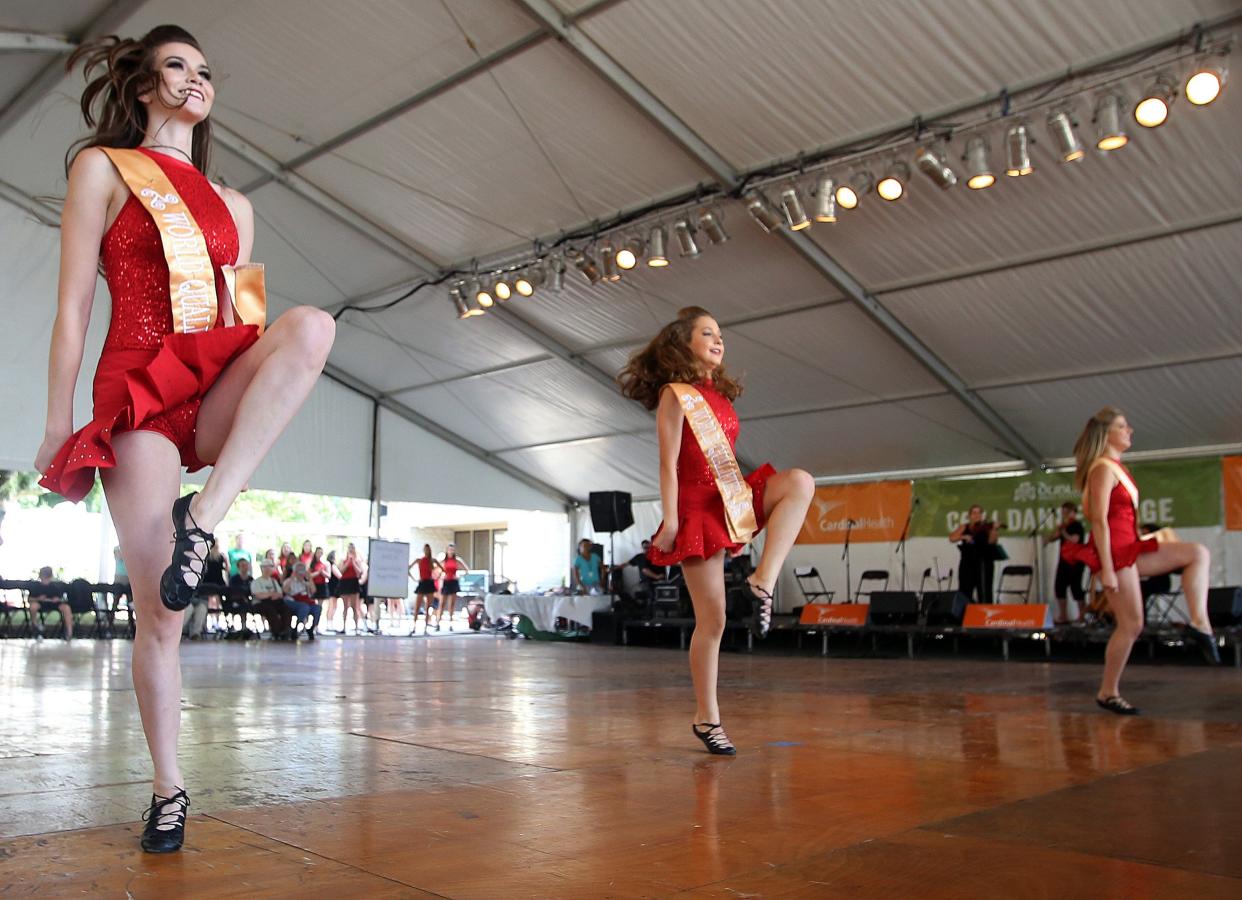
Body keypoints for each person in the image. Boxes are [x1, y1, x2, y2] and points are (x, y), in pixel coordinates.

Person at [32, 25, 334, 853]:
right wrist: (59, 423)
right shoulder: (101, 166)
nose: (195, 81)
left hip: (208, 379)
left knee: (310, 327)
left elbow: (245, 323)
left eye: (205, 71)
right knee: (160, 614)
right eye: (176, 67)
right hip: (134, 389)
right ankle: (169, 789)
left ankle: (208, 516)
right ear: (142, 86)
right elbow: (72, 309)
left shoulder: (237, 206)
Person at [618, 306, 813, 756]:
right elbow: (667, 464)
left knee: (799, 482)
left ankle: (762, 581)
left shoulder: (719, 397)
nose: (718, 340)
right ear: (683, 344)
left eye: (720, 334)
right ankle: (707, 718)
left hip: (728, 498)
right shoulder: (675, 395)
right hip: (696, 509)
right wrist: (669, 521)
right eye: (707, 333)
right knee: (715, 620)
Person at [1061, 407, 1219, 716]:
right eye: (1123, 426)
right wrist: (1106, 569)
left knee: (1198, 553)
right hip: (1117, 554)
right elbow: (1100, 523)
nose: (1129, 430)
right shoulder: (1102, 469)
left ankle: (1200, 623)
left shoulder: (1117, 468)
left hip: (1130, 548)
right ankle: (1108, 692)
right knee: (1132, 625)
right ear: (1107, 434)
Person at [1044, 502, 1087, 625]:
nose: (1065, 514)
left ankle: (1082, 615)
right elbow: (1055, 536)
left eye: (1067, 512)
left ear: (1073, 512)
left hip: (1076, 561)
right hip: (1063, 560)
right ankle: (1063, 615)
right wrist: (1049, 538)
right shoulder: (1064, 526)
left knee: (1076, 588)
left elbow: (1074, 539)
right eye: (1064, 512)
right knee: (1059, 587)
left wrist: (1063, 532)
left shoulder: (1077, 525)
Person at [949, 505, 1000, 602]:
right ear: (969, 515)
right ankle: (964, 614)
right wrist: (963, 537)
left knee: (985, 591)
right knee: (965, 591)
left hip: (984, 563)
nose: (976, 515)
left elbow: (992, 542)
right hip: (967, 564)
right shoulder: (964, 526)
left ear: (982, 515)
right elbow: (952, 538)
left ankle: (985, 614)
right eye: (974, 513)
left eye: (979, 513)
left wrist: (994, 529)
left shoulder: (987, 527)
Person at [250, 559, 292, 640]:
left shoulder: (273, 581)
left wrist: (273, 595)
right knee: (270, 610)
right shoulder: (256, 582)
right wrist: (270, 594)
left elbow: (280, 593)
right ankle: (277, 631)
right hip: (260, 603)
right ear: (261, 569)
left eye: (269, 567)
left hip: (274, 601)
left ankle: (286, 630)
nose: (267, 569)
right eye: (265, 567)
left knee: (286, 609)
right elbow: (258, 595)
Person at [27, 566, 72, 640]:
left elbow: (63, 598)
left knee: (66, 608)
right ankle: (35, 625)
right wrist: (38, 598)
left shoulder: (55, 586)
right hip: (40, 603)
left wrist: (58, 599)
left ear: (50, 577)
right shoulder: (35, 586)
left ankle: (69, 633)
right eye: (43, 578)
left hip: (54, 604)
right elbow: (30, 599)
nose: (45, 580)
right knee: (33, 606)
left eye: (47, 578)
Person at [407, 544, 442, 635]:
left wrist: (437, 577)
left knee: (428, 607)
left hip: (429, 583)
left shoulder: (432, 560)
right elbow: (408, 568)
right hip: (422, 583)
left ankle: (425, 628)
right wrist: (414, 578)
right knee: (417, 606)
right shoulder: (419, 560)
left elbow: (442, 569)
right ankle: (414, 626)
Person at [281, 561, 320, 639]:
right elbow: (284, 591)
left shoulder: (305, 582)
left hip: (305, 601)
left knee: (317, 608)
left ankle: (311, 628)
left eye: (302, 570)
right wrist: (292, 577)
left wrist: (309, 578)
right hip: (292, 602)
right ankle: (296, 628)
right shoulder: (289, 581)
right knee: (304, 607)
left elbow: (313, 590)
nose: (301, 573)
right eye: (299, 571)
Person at [435, 544, 468, 631]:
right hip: (446, 582)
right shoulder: (443, 560)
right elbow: (435, 569)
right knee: (442, 603)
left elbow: (466, 570)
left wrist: (458, 576)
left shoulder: (457, 560)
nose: (451, 551)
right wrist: (440, 576)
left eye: (452, 550)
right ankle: (438, 624)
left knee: (451, 604)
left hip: (453, 582)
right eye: (449, 550)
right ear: (447, 550)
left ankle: (451, 624)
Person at [337, 543, 367, 635]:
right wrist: (348, 562)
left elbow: (359, 573)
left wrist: (353, 562)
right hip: (345, 583)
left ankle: (357, 627)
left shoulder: (358, 560)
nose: (351, 550)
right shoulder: (343, 559)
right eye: (349, 548)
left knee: (355, 607)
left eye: (352, 548)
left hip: (354, 583)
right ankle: (344, 627)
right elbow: (341, 571)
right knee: (345, 607)